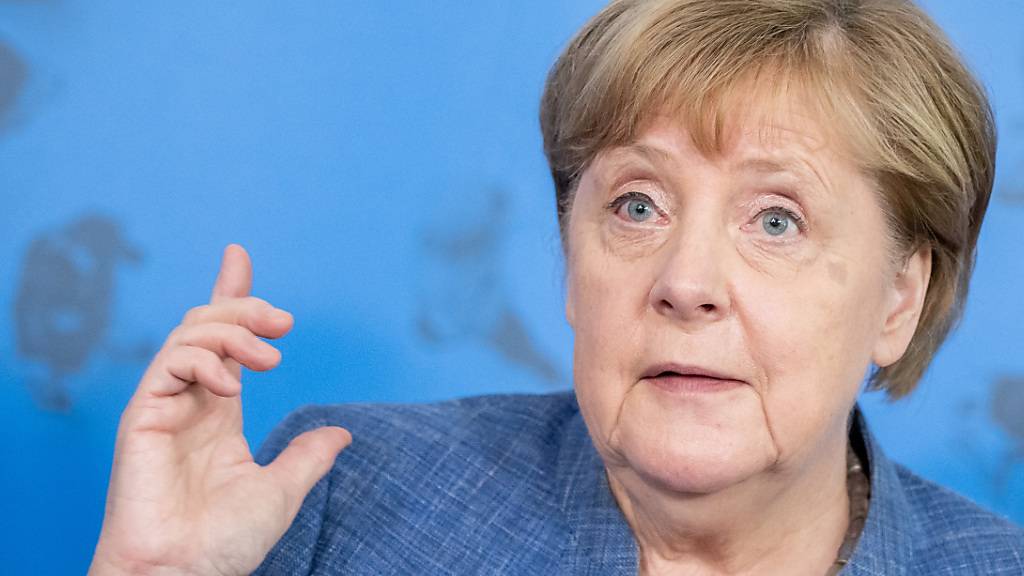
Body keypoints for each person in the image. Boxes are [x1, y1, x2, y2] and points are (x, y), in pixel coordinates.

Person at [88, 1, 1024, 574]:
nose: (686, 282)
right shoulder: (342, 498)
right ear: (571, 261)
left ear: (900, 298)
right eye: (637, 206)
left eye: (775, 220)